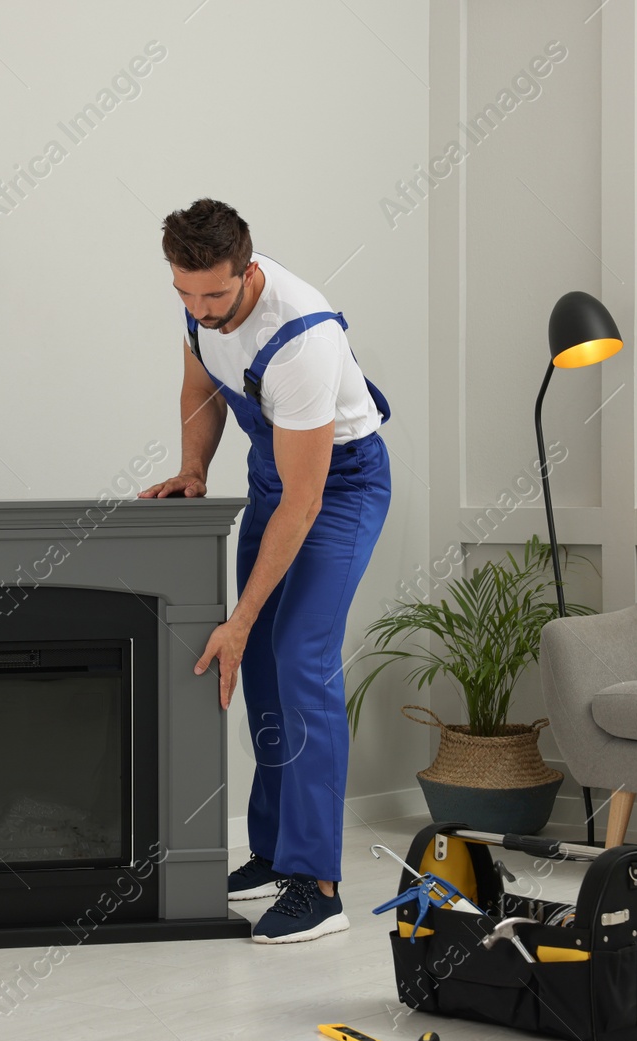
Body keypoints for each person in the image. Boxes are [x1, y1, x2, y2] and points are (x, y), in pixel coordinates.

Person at [140, 199, 392, 944]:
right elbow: (200, 386)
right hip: (273, 479)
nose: (201, 309)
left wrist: (239, 617)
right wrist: (192, 469)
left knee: (299, 655)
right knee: (261, 668)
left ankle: (318, 885)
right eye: (185, 293)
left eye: (215, 294)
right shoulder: (199, 309)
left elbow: (306, 500)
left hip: (337, 487)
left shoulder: (301, 338)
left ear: (247, 270)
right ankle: (275, 852)